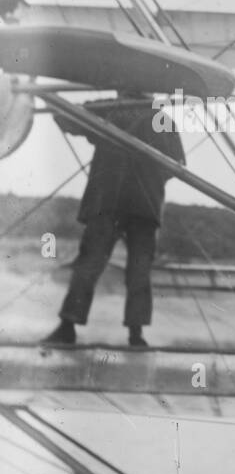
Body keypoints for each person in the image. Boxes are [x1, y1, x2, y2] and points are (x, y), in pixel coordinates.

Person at [42, 93, 185, 347]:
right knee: (94, 266)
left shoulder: (123, 111)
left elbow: (177, 163)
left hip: (128, 205)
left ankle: (122, 332)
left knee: (112, 268)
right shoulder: (122, 111)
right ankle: (128, 334)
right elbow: (67, 119)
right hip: (122, 204)